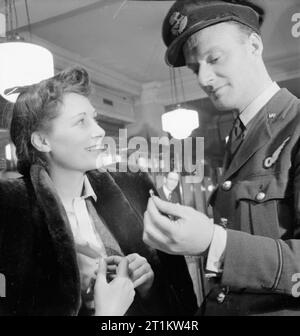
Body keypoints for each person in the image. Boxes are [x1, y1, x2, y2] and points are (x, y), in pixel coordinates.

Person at [143, 0, 300, 315]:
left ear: (254, 45)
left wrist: (214, 242)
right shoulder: (239, 135)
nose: (203, 78)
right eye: (194, 67)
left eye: (214, 58)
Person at [0, 66, 197, 316]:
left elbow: (178, 299)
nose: (99, 131)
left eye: (94, 118)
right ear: (42, 141)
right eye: (81, 122)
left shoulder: (133, 188)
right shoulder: (10, 212)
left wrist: (147, 286)